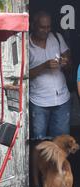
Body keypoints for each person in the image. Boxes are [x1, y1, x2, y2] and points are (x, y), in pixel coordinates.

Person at [29, 11, 72, 141]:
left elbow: (69, 59)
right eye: (42, 27)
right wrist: (44, 66)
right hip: (39, 102)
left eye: (48, 27)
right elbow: (23, 75)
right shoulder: (26, 45)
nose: (46, 31)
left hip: (62, 101)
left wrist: (66, 62)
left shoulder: (57, 37)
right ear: (33, 25)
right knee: (39, 143)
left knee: (62, 144)